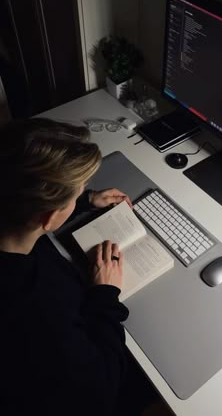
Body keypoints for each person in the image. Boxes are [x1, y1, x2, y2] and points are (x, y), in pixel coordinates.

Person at [0, 118, 133, 415]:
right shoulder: (35, 312)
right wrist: (106, 294)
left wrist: (84, 201)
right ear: (48, 219)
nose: (82, 193)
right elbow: (102, 390)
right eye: (75, 194)